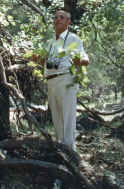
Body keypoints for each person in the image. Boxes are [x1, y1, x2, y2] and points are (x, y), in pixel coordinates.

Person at [33, 10, 89, 150]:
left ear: (68, 22)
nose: (58, 19)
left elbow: (86, 59)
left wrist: (79, 61)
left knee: (68, 119)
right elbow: (48, 63)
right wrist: (37, 59)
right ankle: (61, 150)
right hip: (51, 82)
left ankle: (70, 152)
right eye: (56, 17)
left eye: (62, 17)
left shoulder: (73, 39)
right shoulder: (52, 40)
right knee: (57, 119)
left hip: (65, 80)